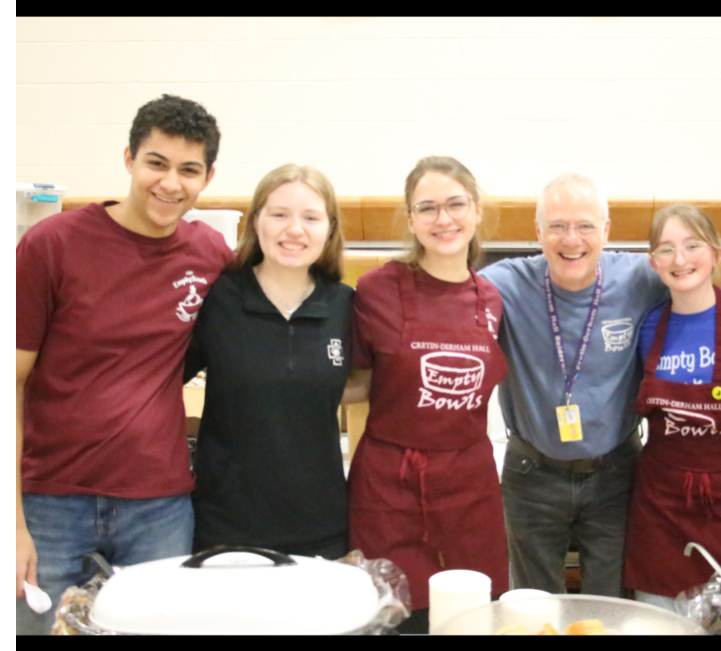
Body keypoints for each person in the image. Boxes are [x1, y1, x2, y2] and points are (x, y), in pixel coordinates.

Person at [16, 95, 232, 635]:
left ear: (207, 177)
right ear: (129, 158)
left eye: (188, 170)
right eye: (156, 163)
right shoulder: (51, 245)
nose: (169, 183)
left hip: (158, 507)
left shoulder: (210, 255)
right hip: (48, 503)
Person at [480, 174, 668, 597]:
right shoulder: (506, 284)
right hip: (532, 474)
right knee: (531, 605)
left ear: (605, 230)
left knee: (610, 603)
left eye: (584, 225)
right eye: (558, 226)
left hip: (616, 472)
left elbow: (701, 293)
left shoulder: (641, 279)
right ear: (538, 231)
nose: (571, 240)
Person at [347, 157, 509, 631]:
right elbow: (355, 384)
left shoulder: (491, 298)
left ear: (476, 211)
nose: (444, 219)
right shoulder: (375, 289)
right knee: (395, 618)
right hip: (389, 488)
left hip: (469, 488)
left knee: (472, 619)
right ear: (412, 219)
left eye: (456, 204)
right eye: (428, 208)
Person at [185, 165, 354, 560]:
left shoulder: (345, 306)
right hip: (225, 527)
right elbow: (157, 382)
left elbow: (366, 383)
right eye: (279, 214)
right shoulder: (217, 299)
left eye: (310, 217)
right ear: (256, 220)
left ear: (329, 229)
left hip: (321, 526)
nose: (294, 229)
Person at [623, 205, 721, 610]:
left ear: (716, 252)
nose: (681, 259)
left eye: (693, 245)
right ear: (653, 263)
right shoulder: (648, 326)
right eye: (667, 249)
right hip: (661, 507)